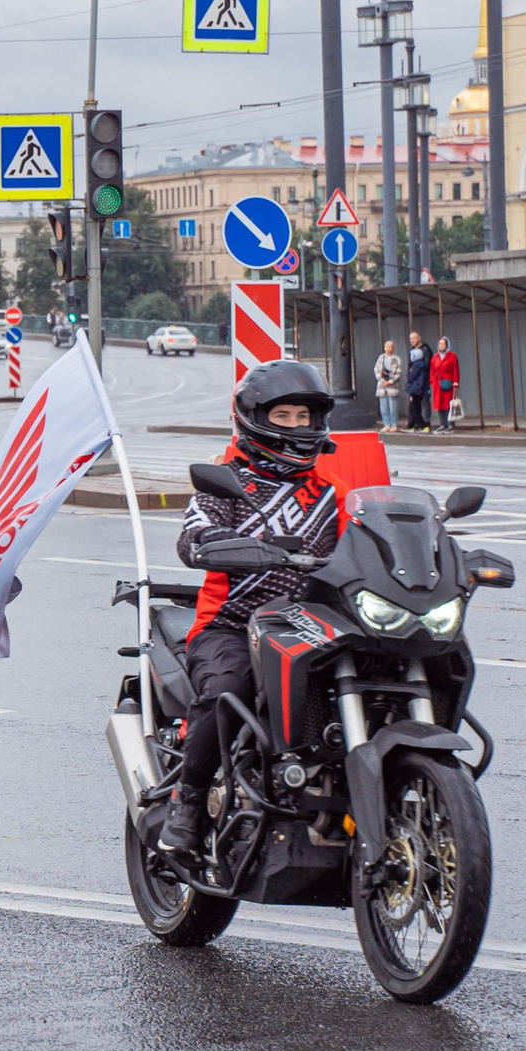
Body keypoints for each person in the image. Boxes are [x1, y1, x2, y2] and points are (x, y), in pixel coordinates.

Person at [162, 360, 345, 856]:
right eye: (282, 416)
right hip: (232, 626)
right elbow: (194, 534)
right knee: (229, 688)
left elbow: (369, 541)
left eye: (303, 417)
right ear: (254, 419)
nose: (295, 426)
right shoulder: (226, 482)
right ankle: (189, 803)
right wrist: (217, 541)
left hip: (314, 627)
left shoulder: (330, 494)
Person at [429, 337, 462, 431]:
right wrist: (432, 381)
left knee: (448, 405)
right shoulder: (435, 357)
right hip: (437, 385)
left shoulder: (452, 356)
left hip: (448, 384)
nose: (441, 346)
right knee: (439, 405)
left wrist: (455, 383)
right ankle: (442, 424)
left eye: (443, 344)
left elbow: (456, 370)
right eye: (440, 344)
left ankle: (450, 424)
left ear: (447, 345)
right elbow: (432, 370)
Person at [372, 340, 404, 433]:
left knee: (393, 406)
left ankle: (394, 424)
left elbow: (398, 372)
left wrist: (390, 381)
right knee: (384, 406)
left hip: (392, 386)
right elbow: (376, 370)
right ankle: (387, 424)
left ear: (393, 348)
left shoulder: (396, 359)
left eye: (390, 347)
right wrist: (382, 380)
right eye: (387, 347)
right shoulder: (381, 358)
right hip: (382, 386)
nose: (388, 349)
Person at [403, 331, 430, 431]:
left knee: (421, 404)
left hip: (420, 383)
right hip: (417, 383)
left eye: (413, 338)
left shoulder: (425, 349)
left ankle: (424, 424)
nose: (411, 341)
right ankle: (413, 424)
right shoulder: (413, 351)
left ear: (419, 338)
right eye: (410, 339)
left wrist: (411, 373)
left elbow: (426, 365)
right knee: (414, 405)